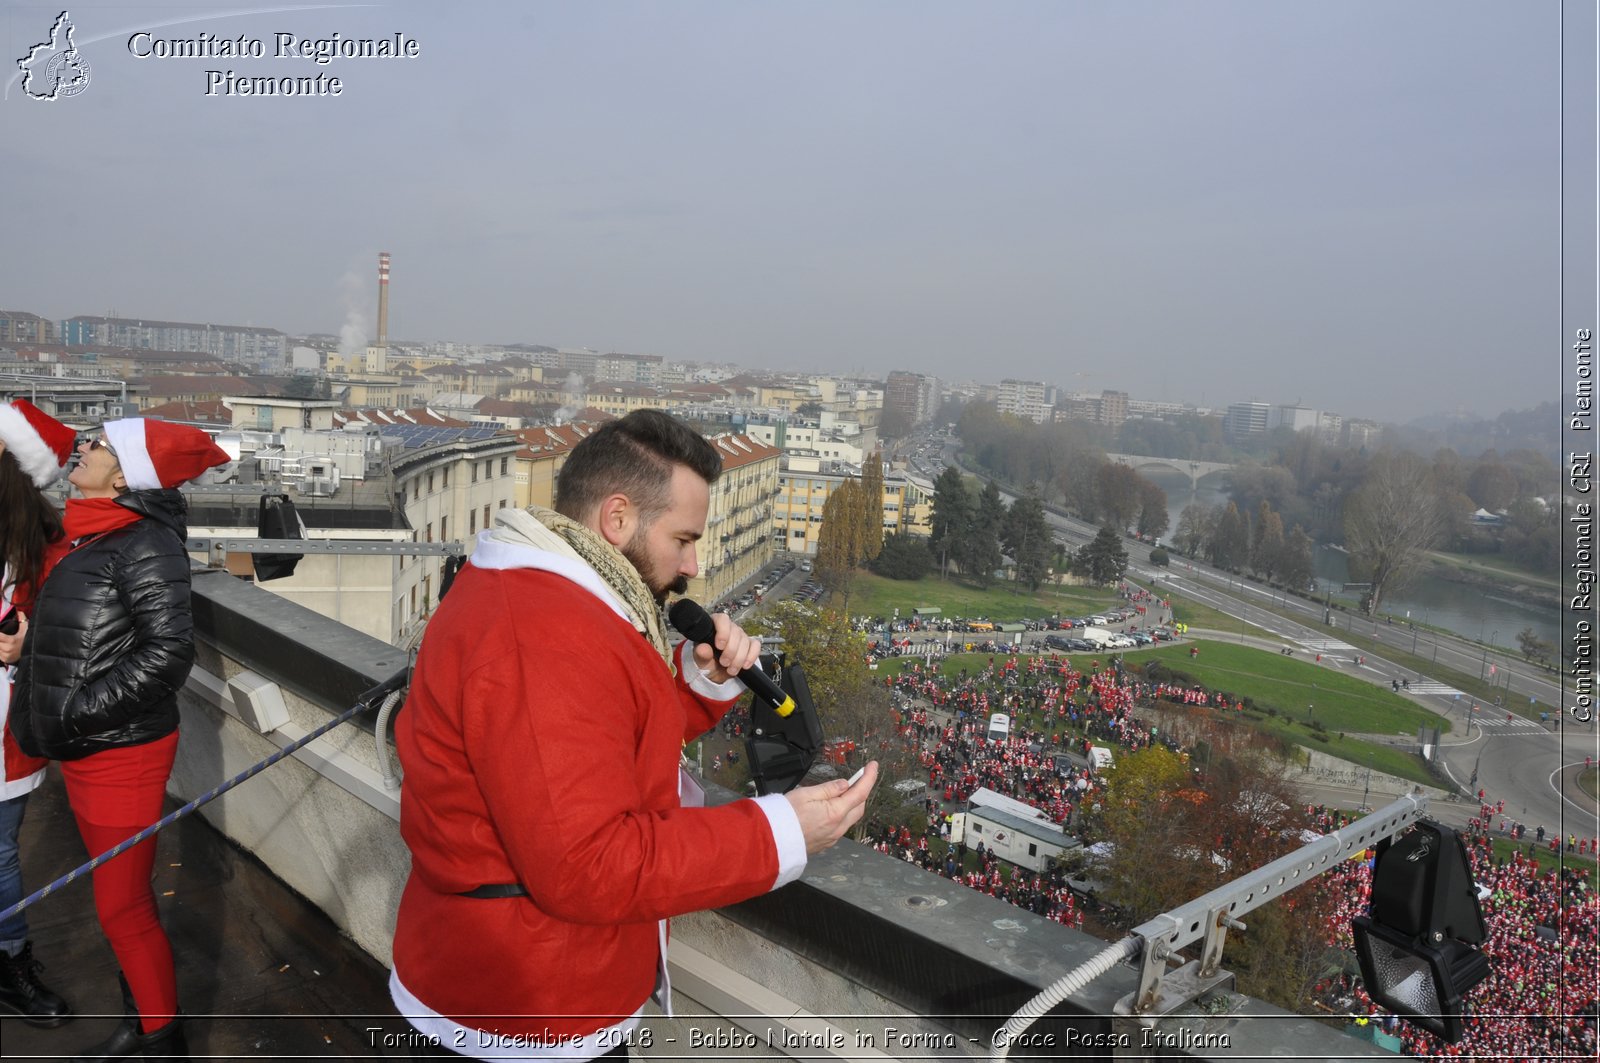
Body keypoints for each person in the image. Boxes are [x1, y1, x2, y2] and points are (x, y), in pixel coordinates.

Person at [389, 410, 877, 1060]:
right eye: (682, 538)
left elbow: (594, 740)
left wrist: (699, 684)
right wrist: (778, 831)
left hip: (528, 998)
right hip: (521, 1018)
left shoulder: (553, 597)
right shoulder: (540, 631)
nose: (694, 563)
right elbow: (587, 865)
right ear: (617, 518)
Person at [12, 416, 230, 1061]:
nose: (82, 449)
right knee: (121, 900)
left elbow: (167, 653)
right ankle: (140, 1025)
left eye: (100, 446)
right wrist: (27, 649)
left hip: (119, 752)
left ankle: (161, 1043)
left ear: (129, 472)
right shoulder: (83, 536)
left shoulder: (144, 542)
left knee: (122, 908)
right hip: (88, 745)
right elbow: (85, 639)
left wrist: (80, 709)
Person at [0, 400, 76, 1027]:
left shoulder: (47, 548)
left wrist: (30, 642)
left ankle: (9, 960)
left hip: (4, 724)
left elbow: (74, 632)